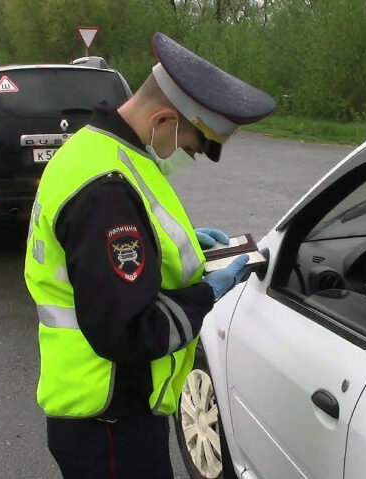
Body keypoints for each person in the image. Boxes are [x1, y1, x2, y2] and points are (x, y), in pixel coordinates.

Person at [24, 32, 275, 478]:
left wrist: (167, 243)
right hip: (110, 418)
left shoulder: (95, 149)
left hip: (101, 410)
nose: (185, 157)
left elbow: (106, 253)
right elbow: (129, 333)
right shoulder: (106, 189)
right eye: (188, 146)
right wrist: (205, 295)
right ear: (163, 118)